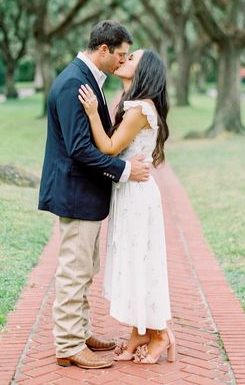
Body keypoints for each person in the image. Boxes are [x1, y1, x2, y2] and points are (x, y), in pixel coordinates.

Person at [38, 21, 151, 370]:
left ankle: (81, 332)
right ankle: (68, 345)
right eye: (119, 54)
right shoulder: (75, 83)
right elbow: (80, 149)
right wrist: (125, 170)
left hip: (83, 192)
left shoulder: (86, 79)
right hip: (74, 192)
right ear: (103, 50)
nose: (121, 61)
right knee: (74, 270)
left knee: (85, 268)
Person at [78, 48, 176, 364]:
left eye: (131, 58)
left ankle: (160, 334)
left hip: (137, 195)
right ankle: (139, 334)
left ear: (143, 71)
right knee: (134, 261)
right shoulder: (129, 104)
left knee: (141, 263)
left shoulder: (139, 109)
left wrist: (92, 113)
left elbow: (108, 147)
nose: (124, 59)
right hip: (128, 190)